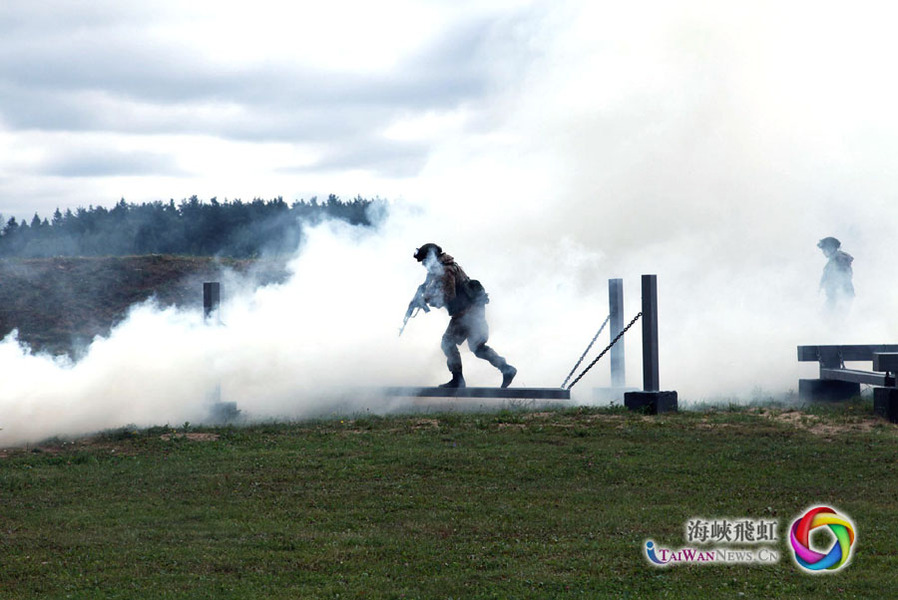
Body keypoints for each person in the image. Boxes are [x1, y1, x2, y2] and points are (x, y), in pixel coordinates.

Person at [410, 243, 516, 388]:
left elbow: (448, 295)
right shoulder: (443, 267)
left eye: (424, 261)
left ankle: (458, 380)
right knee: (477, 347)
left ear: (431, 258)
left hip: (466, 313)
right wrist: (422, 291)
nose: (423, 265)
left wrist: (426, 299)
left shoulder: (446, 270)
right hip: (473, 310)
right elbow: (430, 282)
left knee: (447, 343)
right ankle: (507, 369)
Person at [817, 237, 854, 313]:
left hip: (839, 297)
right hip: (835, 297)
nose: (823, 252)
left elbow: (842, 278)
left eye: (824, 249)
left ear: (830, 248)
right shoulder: (835, 260)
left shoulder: (839, 260)